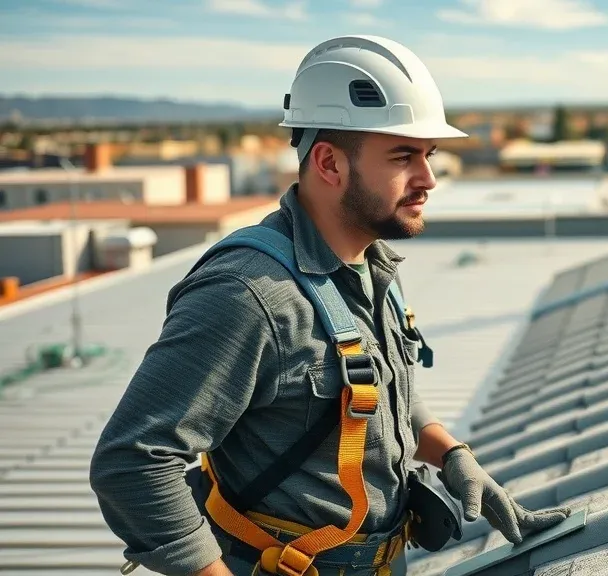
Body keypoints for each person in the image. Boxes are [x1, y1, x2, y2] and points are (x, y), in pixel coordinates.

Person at [89, 35, 570, 576]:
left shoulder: (371, 267)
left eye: (428, 156)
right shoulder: (250, 295)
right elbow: (132, 462)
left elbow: (374, 392)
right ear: (328, 163)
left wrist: (452, 455)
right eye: (403, 156)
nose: (429, 179)